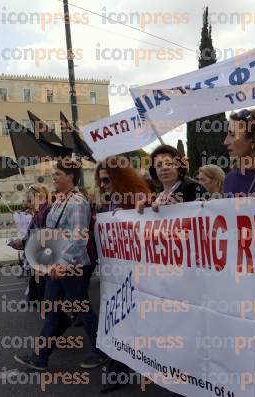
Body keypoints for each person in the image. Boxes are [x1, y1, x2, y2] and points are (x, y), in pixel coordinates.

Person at [14, 158, 108, 371]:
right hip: (55, 265)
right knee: (51, 309)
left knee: (81, 309)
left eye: (58, 174)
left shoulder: (76, 202)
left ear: (71, 177)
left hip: (72, 265)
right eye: (53, 174)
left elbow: (79, 237)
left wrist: (63, 263)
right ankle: (40, 357)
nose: (53, 178)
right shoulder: (58, 201)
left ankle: (101, 351)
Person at [94, 156, 152, 393]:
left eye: (107, 180)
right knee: (118, 320)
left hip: (138, 273)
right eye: (101, 181)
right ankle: (119, 367)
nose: (104, 185)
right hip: (117, 272)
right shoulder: (112, 202)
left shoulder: (139, 199)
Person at [9, 184, 52, 302]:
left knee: (42, 297)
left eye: (29, 201)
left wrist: (23, 243)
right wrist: (21, 243)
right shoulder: (39, 213)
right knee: (35, 297)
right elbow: (31, 235)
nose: (27, 205)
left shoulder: (47, 212)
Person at [137, 144, 204, 213]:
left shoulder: (194, 189)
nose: (164, 168)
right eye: (159, 165)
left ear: (179, 168)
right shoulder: (156, 197)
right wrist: (146, 211)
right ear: (155, 171)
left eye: (169, 164)